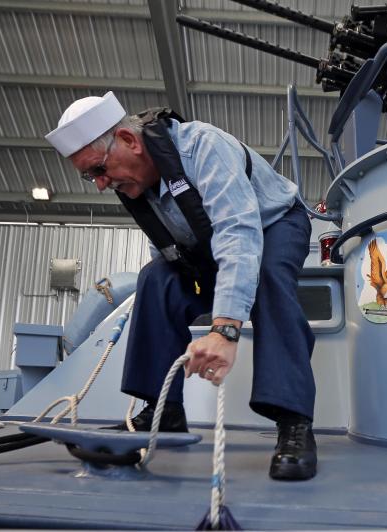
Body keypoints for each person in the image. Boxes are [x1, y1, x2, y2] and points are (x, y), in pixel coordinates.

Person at [45, 92, 317, 481]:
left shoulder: (203, 147)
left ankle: (294, 423)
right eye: (91, 177)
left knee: (271, 278)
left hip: (273, 223)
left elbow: (238, 233)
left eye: (99, 169)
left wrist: (225, 328)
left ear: (129, 140)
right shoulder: (138, 184)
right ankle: (163, 411)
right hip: (206, 246)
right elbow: (170, 250)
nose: (101, 184)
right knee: (156, 279)